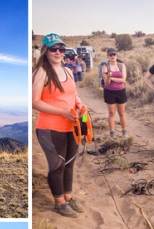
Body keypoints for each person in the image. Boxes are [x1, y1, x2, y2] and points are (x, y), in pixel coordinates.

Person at [33, 33, 87, 218]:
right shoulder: (41, 71)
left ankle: (68, 197)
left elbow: (73, 95)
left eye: (61, 48)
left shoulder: (68, 71)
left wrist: (79, 104)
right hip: (49, 128)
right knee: (57, 166)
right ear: (45, 51)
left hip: (71, 126)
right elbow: (35, 101)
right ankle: (59, 203)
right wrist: (62, 112)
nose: (58, 52)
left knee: (69, 164)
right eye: (53, 48)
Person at [100, 48, 128, 138]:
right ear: (108, 56)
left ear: (116, 55)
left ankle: (124, 133)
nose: (112, 56)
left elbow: (123, 80)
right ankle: (112, 133)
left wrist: (112, 78)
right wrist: (108, 77)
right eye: (111, 55)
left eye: (114, 55)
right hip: (109, 92)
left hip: (121, 91)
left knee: (122, 112)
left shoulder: (121, 65)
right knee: (111, 113)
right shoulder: (105, 67)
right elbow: (107, 83)